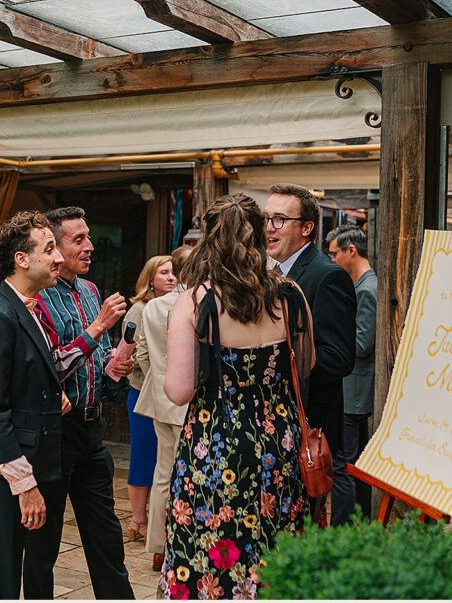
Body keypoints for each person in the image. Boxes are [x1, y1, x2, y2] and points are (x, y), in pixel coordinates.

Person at [162, 194, 315, 599]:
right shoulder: (291, 296)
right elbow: (306, 367)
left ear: (210, 239)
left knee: (210, 551)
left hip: (216, 446)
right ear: (260, 234)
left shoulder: (195, 302)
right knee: (274, 544)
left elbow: (178, 391)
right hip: (278, 445)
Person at [25, 206, 135, 600]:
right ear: (55, 247)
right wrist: (99, 326)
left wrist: (116, 365)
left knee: (107, 537)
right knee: (43, 544)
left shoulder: (90, 292)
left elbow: (98, 356)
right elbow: (50, 366)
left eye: (89, 237)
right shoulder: (38, 297)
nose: (90, 247)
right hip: (55, 433)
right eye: (79, 240)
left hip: (92, 430)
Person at [0, 211, 66, 599]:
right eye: (50, 249)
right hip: (5, 466)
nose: (60, 259)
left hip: (32, 455)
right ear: (22, 259)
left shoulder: (31, 306)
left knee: (7, 569)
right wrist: (25, 485)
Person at [264, 183, 356, 523]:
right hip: (273, 422)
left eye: (279, 219)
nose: (270, 227)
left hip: (307, 422)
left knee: (301, 521)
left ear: (306, 227)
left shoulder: (327, 276)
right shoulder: (270, 275)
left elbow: (339, 358)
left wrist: (278, 363)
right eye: (267, 218)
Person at [133, 245, 193, 572]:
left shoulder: (153, 307)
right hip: (189, 403)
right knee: (188, 475)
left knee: (162, 474)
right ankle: (182, 540)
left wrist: (157, 383)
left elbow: (142, 354)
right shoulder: (196, 304)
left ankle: (159, 547)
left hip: (160, 400)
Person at [325, 224, 376, 524]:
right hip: (354, 388)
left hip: (354, 390)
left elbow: (361, 344)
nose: (331, 260)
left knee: (343, 464)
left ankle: (343, 528)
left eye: (334, 254)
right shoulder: (361, 285)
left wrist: (331, 337)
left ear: (351, 251)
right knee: (352, 463)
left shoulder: (367, 289)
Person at [124, 255, 175, 542]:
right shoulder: (139, 310)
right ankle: (138, 519)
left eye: (173, 272)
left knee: (161, 459)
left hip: (164, 395)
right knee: (143, 458)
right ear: (150, 279)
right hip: (143, 392)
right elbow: (131, 354)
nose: (170, 277)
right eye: (163, 273)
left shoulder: (177, 306)